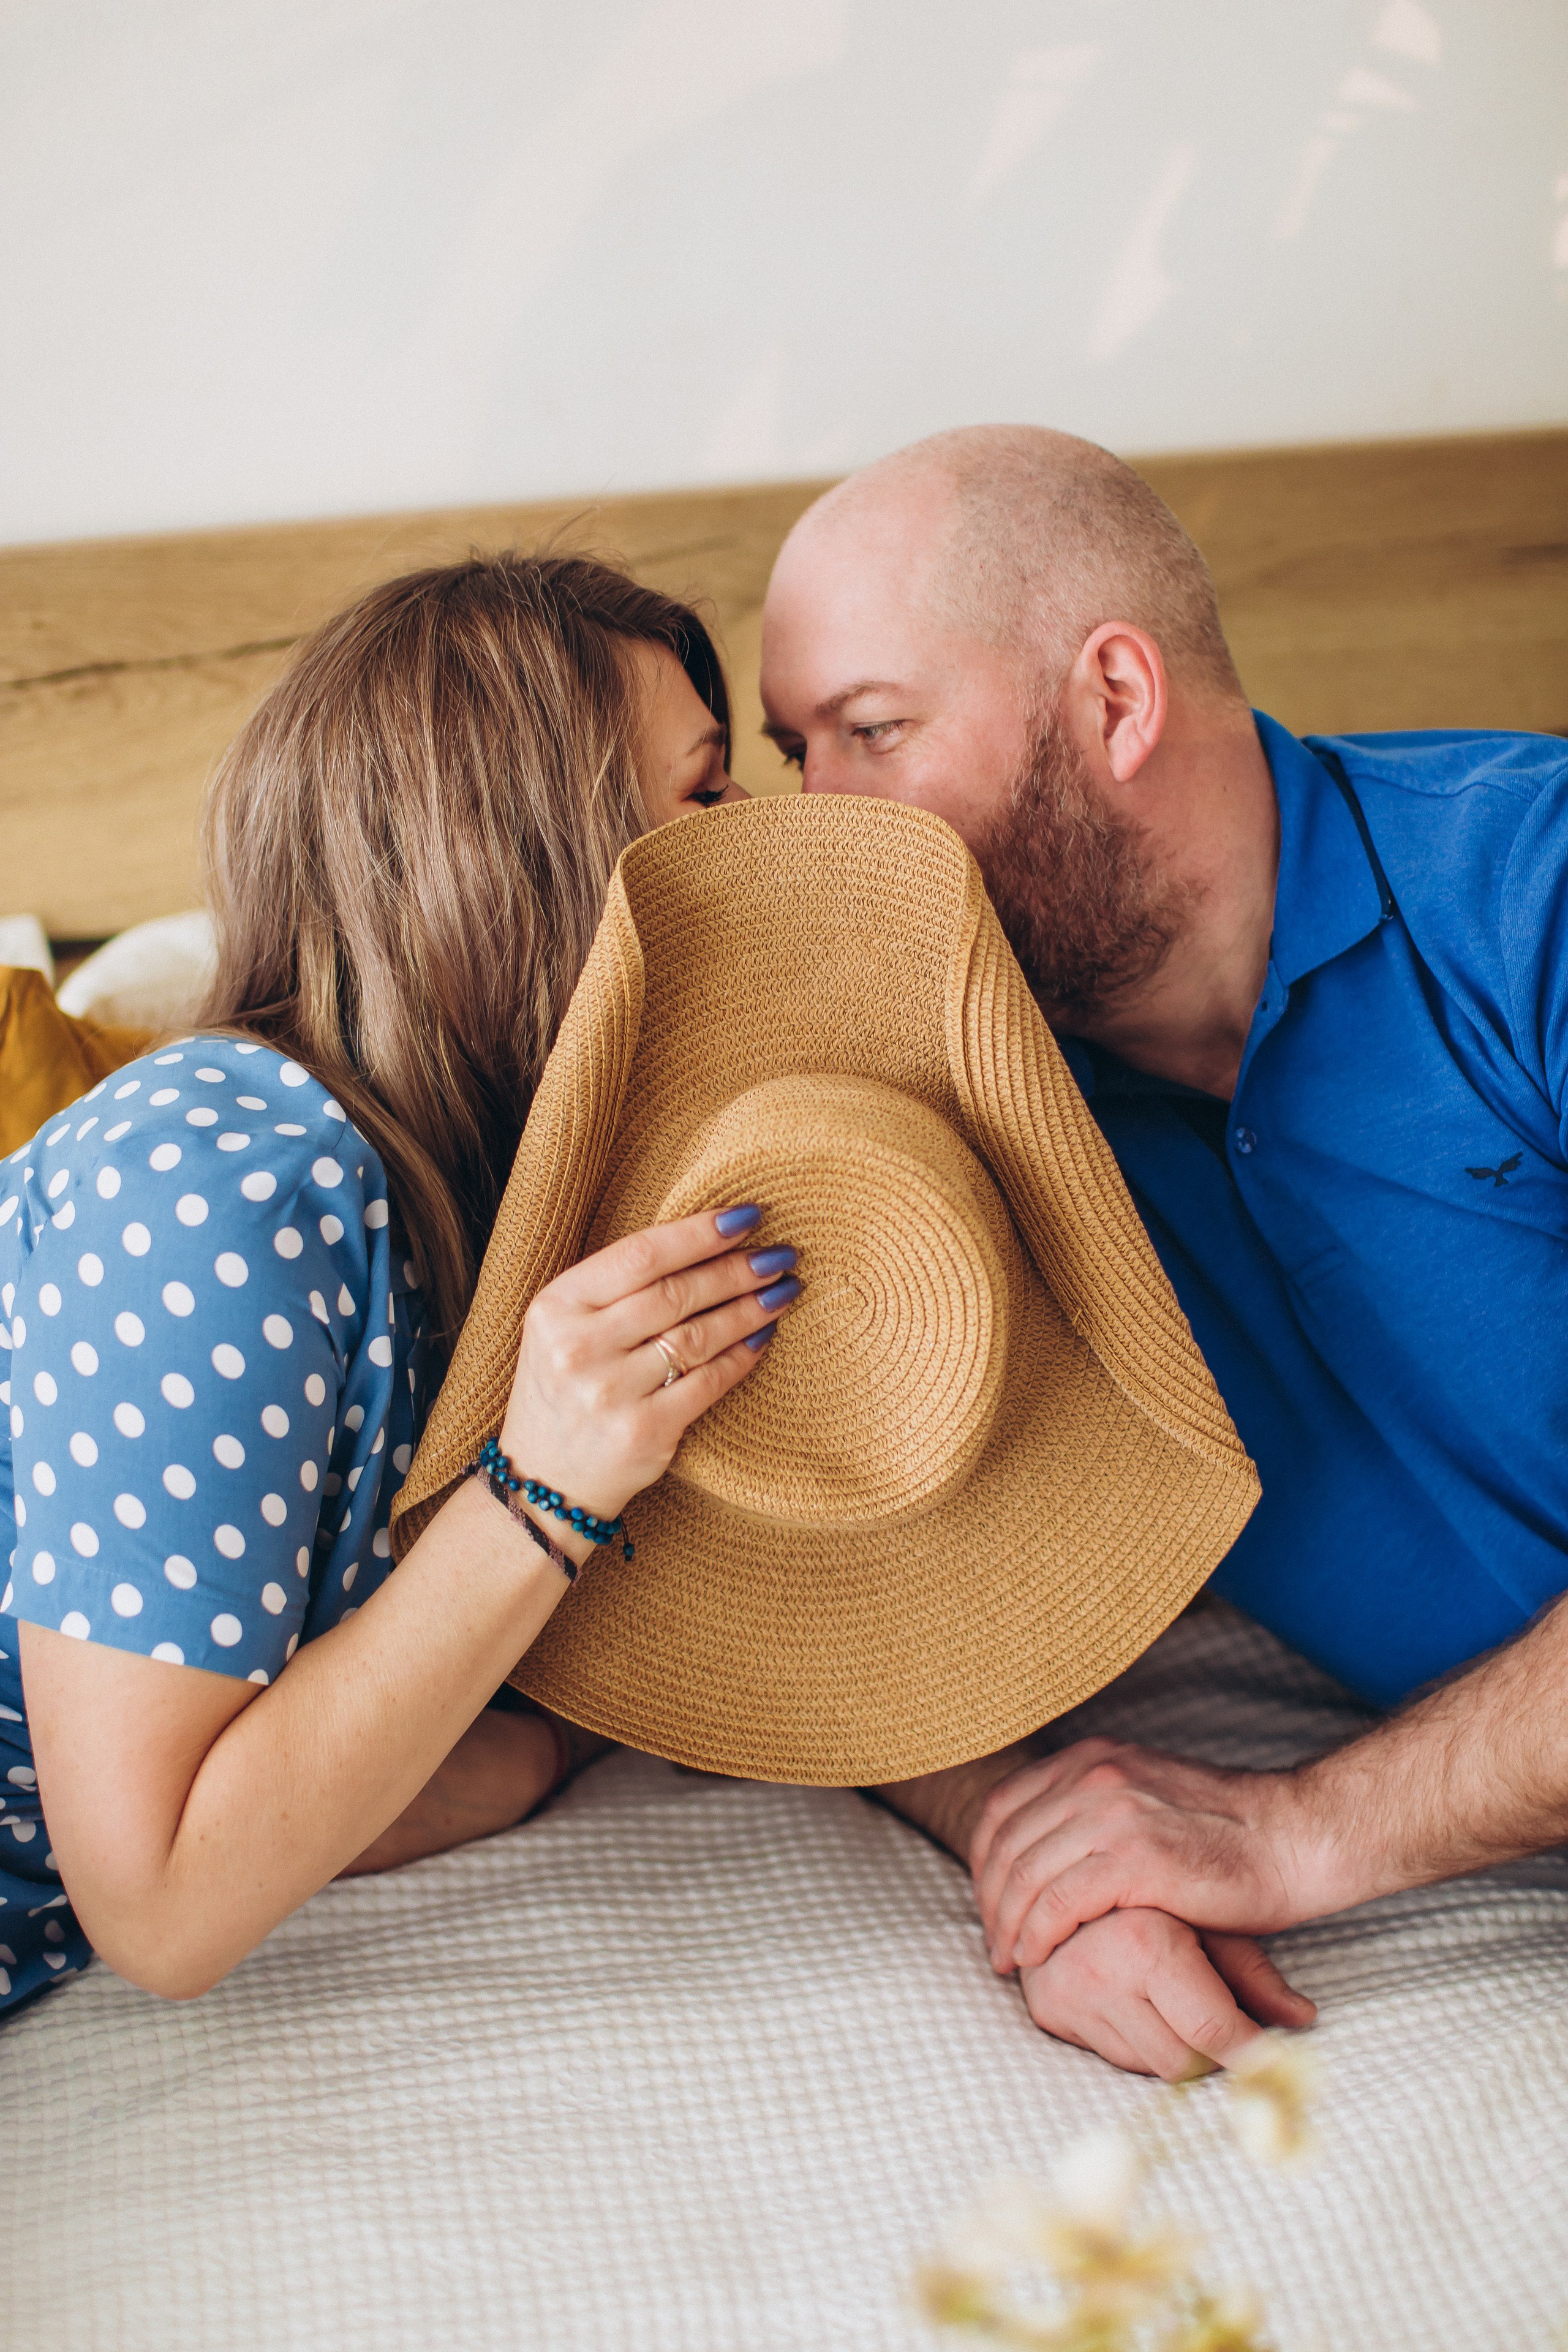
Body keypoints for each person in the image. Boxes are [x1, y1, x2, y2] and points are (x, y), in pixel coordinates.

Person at [758, 423, 1568, 2081]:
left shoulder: (1530, 889)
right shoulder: (942, 1108)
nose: (823, 831)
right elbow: (801, 1588)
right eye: (794, 760)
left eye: (875, 734)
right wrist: (1039, 1839)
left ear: (1115, 702)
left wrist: (1304, 1835)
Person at [0, 554, 804, 2018]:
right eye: (704, 792)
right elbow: (164, 1905)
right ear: (506, 850)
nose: (758, 840)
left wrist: (560, 1737)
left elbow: (332, 1769)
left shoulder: (478, 1202)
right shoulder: (209, 1177)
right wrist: (540, 1497)